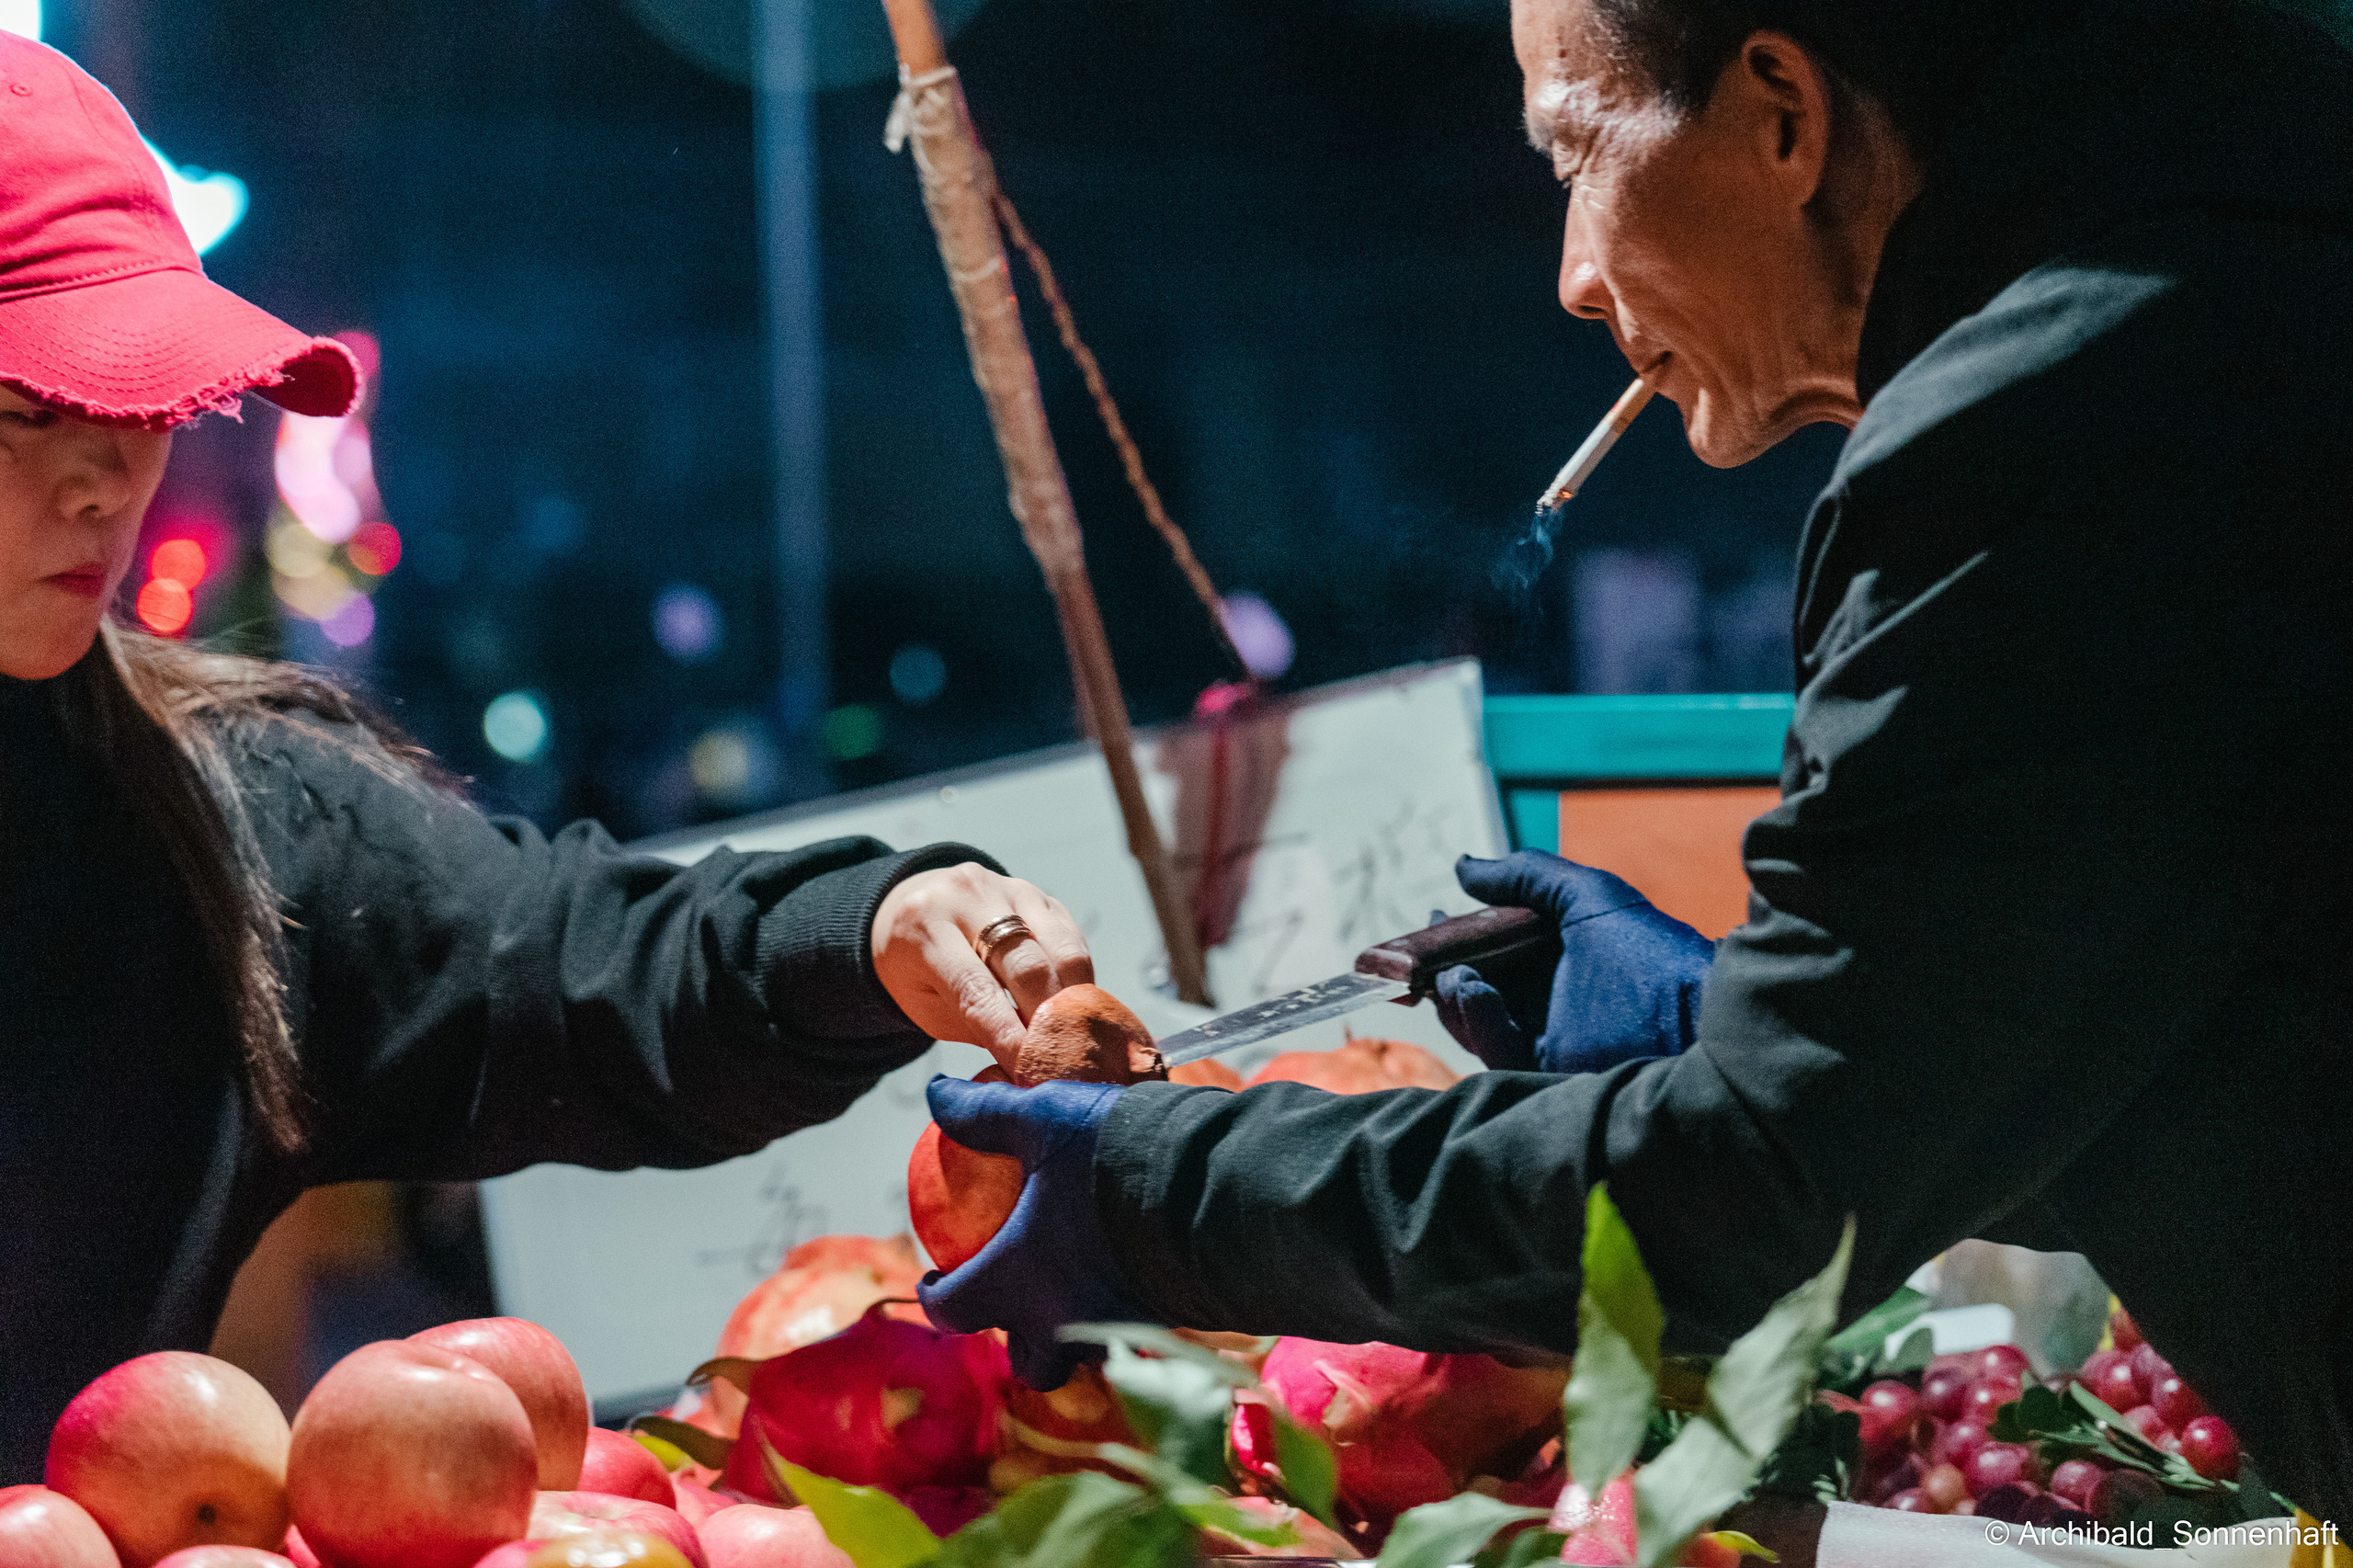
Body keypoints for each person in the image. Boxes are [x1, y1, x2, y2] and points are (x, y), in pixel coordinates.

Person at [916, 0, 2353, 1528]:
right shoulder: (2241, 265)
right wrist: (1728, 1022)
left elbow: (1756, 1194)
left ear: (1781, 114)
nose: (1575, 275)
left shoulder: (2067, 422)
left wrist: (1172, 1195)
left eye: (1577, 159)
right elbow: (2154, 1053)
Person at [0, 33, 1096, 1483]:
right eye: (22, 411)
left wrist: (876, 925)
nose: (103, 478)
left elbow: (581, 968)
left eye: (140, 406)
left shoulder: (220, 822)